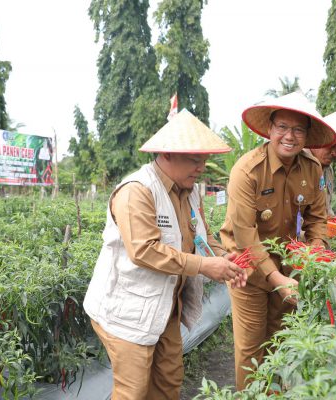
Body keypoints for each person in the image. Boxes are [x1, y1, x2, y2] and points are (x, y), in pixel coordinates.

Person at [83, 109, 247, 400]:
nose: (202, 166)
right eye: (194, 159)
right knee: (133, 391)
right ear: (167, 154)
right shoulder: (137, 191)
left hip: (166, 309)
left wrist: (223, 257)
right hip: (127, 312)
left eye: (204, 159)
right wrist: (204, 266)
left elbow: (202, 237)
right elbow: (144, 251)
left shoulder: (192, 191)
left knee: (169, 383)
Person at [219, 92, 336, 390]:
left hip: (288, 267)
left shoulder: (312, 168)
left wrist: (315, 253)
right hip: (247, 268)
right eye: (283, 127)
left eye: (298, 130)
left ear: (307, 135)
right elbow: (244, 232)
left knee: (281, 340)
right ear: (269, 129)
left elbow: (316, 219)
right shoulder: (247, 171)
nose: (290, 136)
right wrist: (274, 277)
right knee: (251, 348)